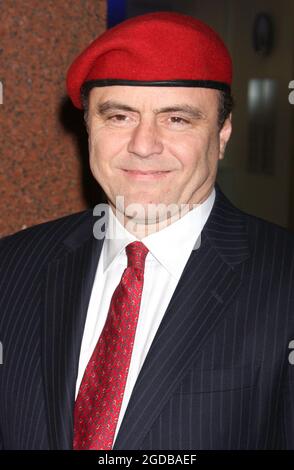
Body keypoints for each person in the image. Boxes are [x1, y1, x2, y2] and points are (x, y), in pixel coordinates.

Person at [0, 11, 293, 451]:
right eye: (119, 117)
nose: (143, 144)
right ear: (88, 130)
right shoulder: (12, 267)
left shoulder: (284, 281)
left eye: (177, 119)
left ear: (223, 134)